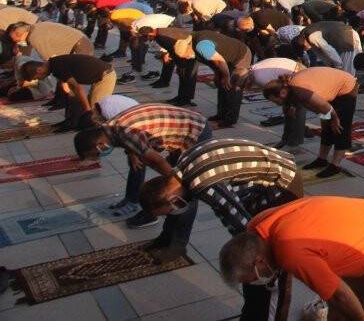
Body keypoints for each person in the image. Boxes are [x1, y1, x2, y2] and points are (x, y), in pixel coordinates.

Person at [138, 138, 303, 321]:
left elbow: (239, 223)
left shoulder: (204, 184)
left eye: (169, 211)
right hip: (264, 178)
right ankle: (253, 312)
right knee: (249, 263)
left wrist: (250, 260)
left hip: (283, 182)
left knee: (268, 262)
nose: (174, 213)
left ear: (171, 199)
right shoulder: (182, 166)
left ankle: (268, 313)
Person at [218, 196, 364, 321]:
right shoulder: (256, 227)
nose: (257, 284)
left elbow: (339, 295)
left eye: (252, 280)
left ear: (259, 262)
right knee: (339, 316)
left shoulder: (290, 252)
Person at [73, 103, 212, 244]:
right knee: (173, 190)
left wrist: (175, 184)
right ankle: (167, 236)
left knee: (183, 194)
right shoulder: (112, 128)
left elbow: (158, 162)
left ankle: (177, 244)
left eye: (96, 154)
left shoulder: (125, 133)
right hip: (182, 133)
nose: (99, 157)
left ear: (100, 145)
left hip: (195, 132)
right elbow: (148, 158)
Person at [263, 66, 358, 178]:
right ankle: (322, 159)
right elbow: (317, 107)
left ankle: (335, 165)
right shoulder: (290, 89)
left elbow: (325, 106)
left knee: (340, 128)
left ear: (282, 93)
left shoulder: (299, 91)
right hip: (332, 85)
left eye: (275, 100)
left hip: (346, 87)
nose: (275, 103)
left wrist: (335, 119)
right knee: (326, 127)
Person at [20, 54, 115, 131]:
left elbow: (78, 88)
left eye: (37, 78)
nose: (39, 79)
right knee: (84, 104)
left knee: (96, 109)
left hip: (105, 77)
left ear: (39, 70)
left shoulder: (57, 67)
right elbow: (70, 90)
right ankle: (74, 121)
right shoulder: (54, 63)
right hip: (100, 76)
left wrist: (87, 109)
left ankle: (102, 133)